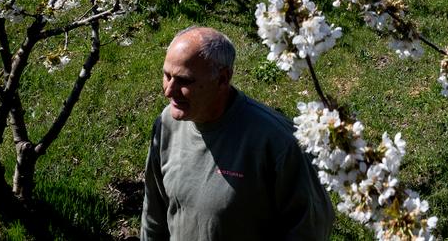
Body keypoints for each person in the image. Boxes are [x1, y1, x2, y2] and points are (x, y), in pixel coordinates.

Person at [140, 26, 334, 241]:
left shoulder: (278, 142)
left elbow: (309, 228)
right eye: (167, 76)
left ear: (223, 79)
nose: (169, 90)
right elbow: (154, 212)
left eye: (185, 81)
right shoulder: (167, 124)